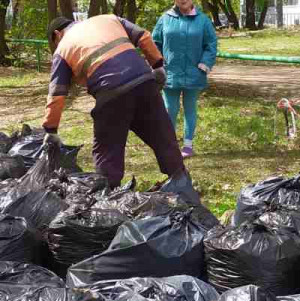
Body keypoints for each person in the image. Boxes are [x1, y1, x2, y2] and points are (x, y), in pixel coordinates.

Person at [41, 13, 201, 202]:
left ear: (58, 34)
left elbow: (57, 93)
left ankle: (108, 199)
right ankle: (181, 184)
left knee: (108, 149)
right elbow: (143, 36)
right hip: (144, 81)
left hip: (111, 93)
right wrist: (157, 65)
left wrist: (51, 129)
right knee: (161, 134)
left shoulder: (63, 47)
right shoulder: (109, 19)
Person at [152, 0, 218, 158]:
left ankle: (188, 146)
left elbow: (211, 43)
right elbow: (154, 43)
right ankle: (170, 145)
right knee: (169, 110)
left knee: (190, 108)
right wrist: (157, 65)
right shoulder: (165, 19)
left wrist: (205, 63)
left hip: (194, 72)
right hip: (170, 72)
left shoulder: (203, 20)